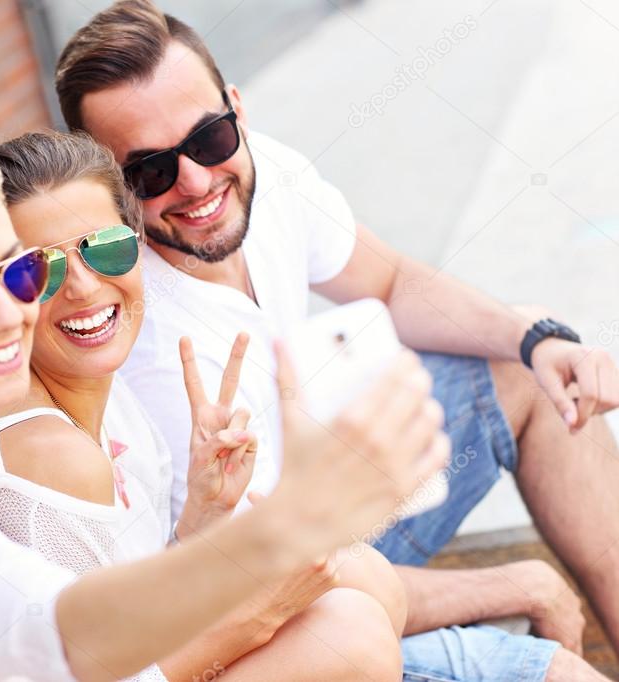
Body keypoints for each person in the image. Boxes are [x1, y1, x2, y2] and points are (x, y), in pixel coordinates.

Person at [53, 2, 619, 680]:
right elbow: (279, 587)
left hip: (337, 522)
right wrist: (514, 584)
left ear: (236, 109)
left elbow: (389, 281)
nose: (197, 183)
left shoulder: (268, 176)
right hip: (286, 612)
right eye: (150, 171)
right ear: (108, 189)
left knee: (532, 367)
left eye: (207, 140)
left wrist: (538, 338)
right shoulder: (137, 344)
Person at [0, 132, 447, 681]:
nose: (5, 314)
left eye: (13, 273)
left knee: (354, 588)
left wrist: (209, 518)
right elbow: (68, 637)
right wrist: (288, 527)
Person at [0, 129, 411, 681]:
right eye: (40, 271)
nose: (83, 288)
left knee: (361, 574)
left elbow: (136, 593)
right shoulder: (46, 456)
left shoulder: (108, 395)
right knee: (351, 636)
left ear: (137, 242)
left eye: (104, 248)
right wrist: (255, 614)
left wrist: (202, 515)